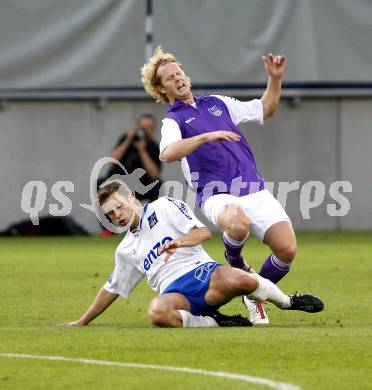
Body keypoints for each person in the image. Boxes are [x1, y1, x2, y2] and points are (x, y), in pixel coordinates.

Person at [140, 47, 296, 324]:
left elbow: (265, 109)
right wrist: (205, 137)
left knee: (287, 250)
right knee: (238, 225)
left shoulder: (217, 103)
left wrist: (275, 79)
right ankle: (235, 259)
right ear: (161, 89)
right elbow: (167, 153)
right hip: (216, 194)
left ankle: (252, 291)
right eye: (169, 77)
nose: (178, 79)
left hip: (254, 189)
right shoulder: (172, 121)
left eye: (179, 73)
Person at [60, 180, 323, 328]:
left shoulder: (164, 206)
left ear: (130, 196)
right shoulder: (125, 249)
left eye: (117, 207)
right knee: (157, 313)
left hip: (204, 275)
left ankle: (288, 302)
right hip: (177, 294)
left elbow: (203, 233)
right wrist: (82, 322)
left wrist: (179, 243)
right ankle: (216, 322)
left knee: (243, 281)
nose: (116, 215)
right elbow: (112, 288)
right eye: (110, 214)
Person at [101, 113, 162, 202]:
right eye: (143, 127)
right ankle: (109, 212)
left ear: (153, 130)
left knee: (157, 185)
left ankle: (152, 213)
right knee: (101, 183)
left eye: (149, 128)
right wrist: (128, 139)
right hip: (120, 182)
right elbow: (111, 161)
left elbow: (155, 174)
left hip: (141, 184)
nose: (145, 131)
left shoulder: (153, 146)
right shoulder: (126, 140)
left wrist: (142, 150)